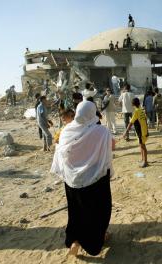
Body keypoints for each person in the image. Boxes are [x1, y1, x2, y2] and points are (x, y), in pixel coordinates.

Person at [50, 101, 115, 257]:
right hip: (96, 180)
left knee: (76, 212)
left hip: (72, 181)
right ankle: (96, 240)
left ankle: (75, 241)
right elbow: (111, 149)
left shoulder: (66, 131)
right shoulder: (101, 131)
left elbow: (62, 154)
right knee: (99, 211)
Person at [123, 98, 149, 168]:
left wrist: (125, 132)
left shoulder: (136, 112)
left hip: (141, 132)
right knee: (141, 145)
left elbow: (130, 123)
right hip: (144, 131)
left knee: (143, 146)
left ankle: (145, 162)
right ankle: (142, 159)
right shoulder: (141, 111)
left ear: (132, 104)